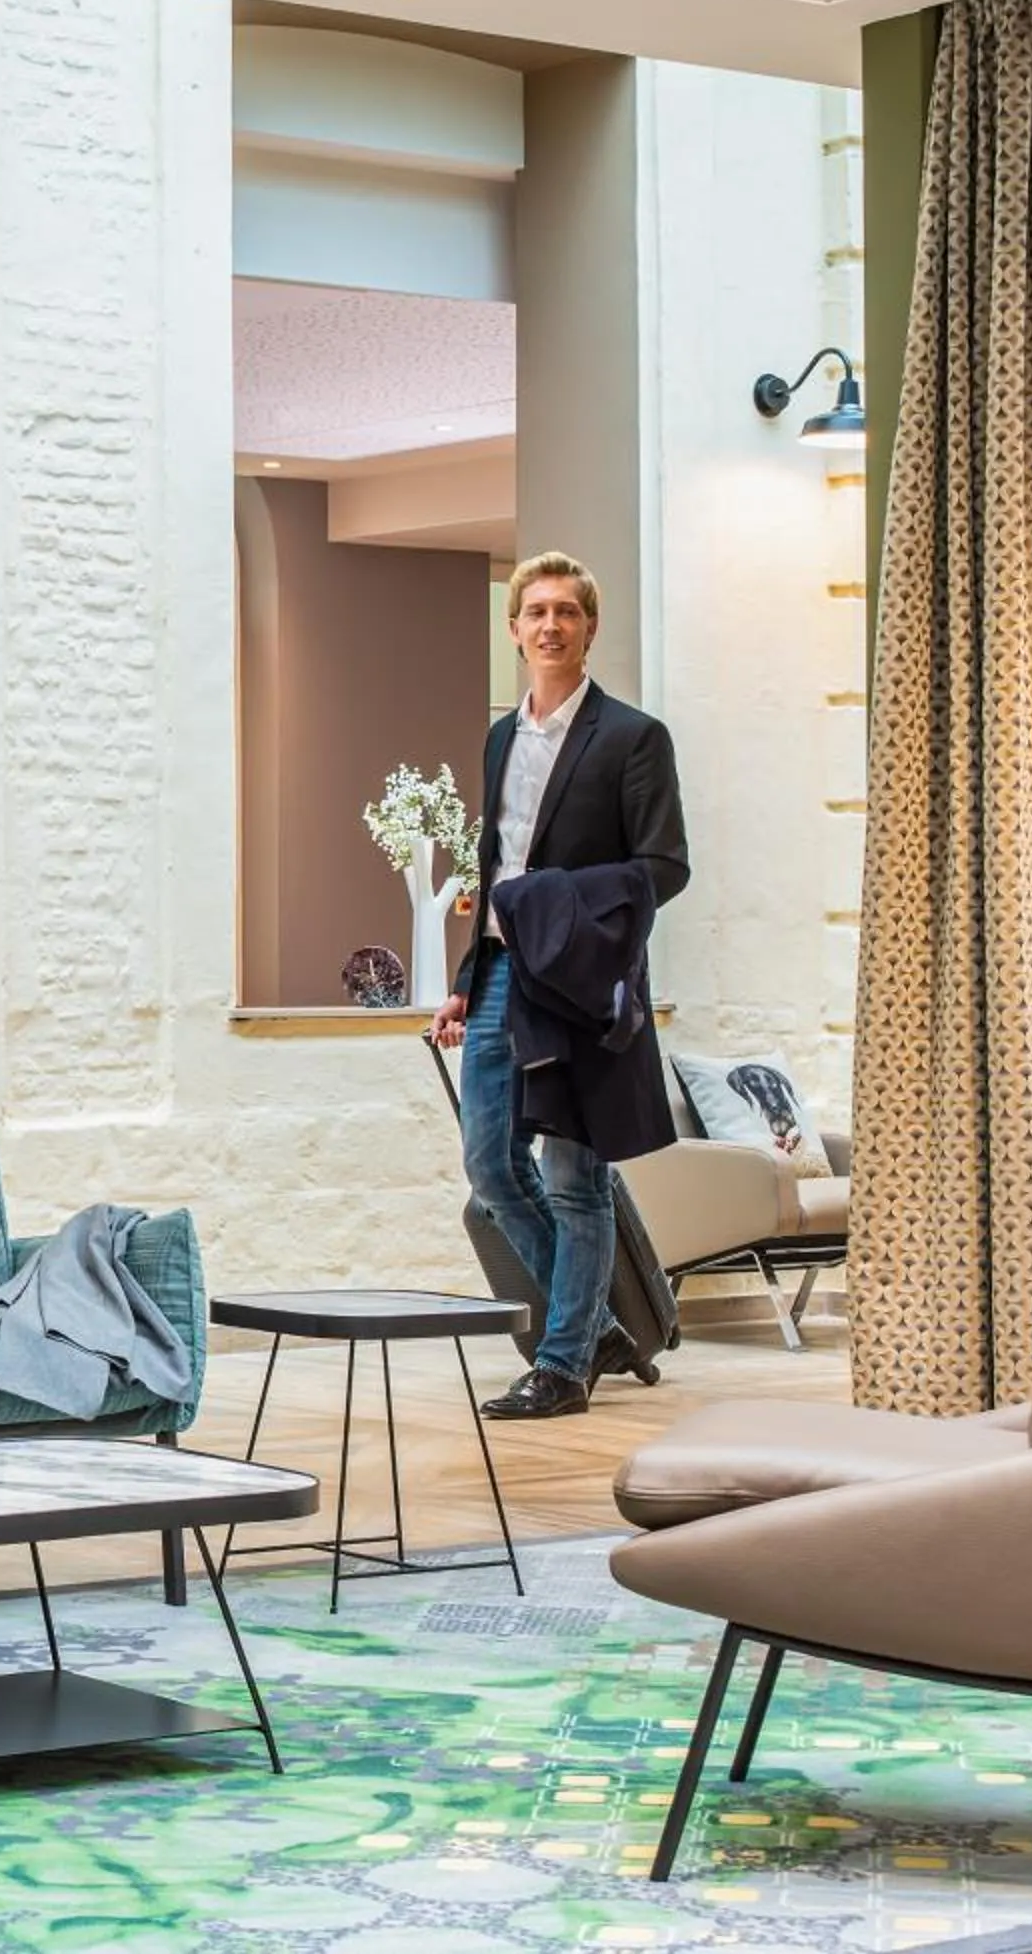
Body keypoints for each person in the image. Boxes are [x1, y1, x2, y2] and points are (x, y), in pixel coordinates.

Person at [428, 552, 689, 1422]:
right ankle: (596, 1328)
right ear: (513, 629)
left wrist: (558, 908)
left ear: (589, 628)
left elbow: (664, 866)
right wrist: (467, 976)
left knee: (576, 1178)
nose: (550, 626)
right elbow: (494, 865)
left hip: (582, 981)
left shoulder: (634, 737)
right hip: (502, 976)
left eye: (566, 612)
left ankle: (564, 1365)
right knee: (491, 1167)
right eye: (535, 612)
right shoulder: (501, 737)